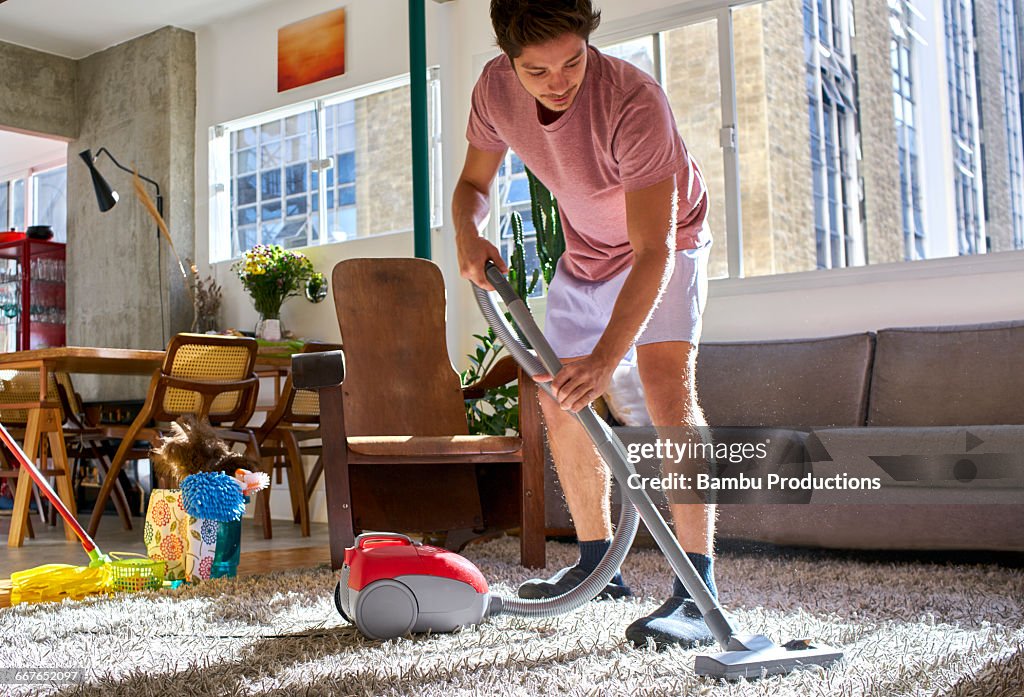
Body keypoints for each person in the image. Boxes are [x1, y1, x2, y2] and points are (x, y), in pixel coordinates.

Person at [453, 0, 717, 650]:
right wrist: (468, 231)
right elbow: (472, 184)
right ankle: (602, 563)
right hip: (587, 254)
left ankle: (698, 588)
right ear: (509, 57)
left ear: (590, 41)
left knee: (663, 387)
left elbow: (652, 252)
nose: (559, 81)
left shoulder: (633, 102)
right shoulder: (493, 90)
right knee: (557, 395)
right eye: (537, 69)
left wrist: (606, 359)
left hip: (668, 245)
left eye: (573, 60)